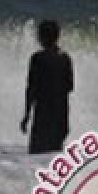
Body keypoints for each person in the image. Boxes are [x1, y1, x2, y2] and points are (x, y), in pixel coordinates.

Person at [20, 20, 74, 154]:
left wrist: (26, 115)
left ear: (42, 37)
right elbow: (69, 87)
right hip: (59, 115)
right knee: (53, 159)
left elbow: (31, 89)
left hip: (42, 115)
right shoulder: (65, 58)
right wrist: (66, 121)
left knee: (36, 155)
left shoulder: (37, 58)